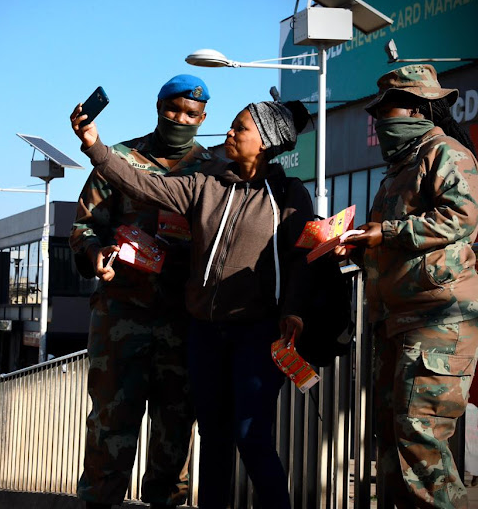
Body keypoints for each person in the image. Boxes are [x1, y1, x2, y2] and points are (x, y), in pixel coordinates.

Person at [71, 96, 314, 508]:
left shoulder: (289, 195)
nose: (229, 133)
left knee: (251, 435)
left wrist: (293, 310)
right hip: (203, 334)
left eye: (241, 128)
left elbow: (301, 260)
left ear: (267, 142)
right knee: (213, 436)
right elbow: (144, 184)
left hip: (255, 335)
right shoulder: (209, 183)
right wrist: (95, 146)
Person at [69, 75, 228, 509]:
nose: (180, 119)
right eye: (173, 109)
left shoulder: (214, 169)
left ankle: (166, 502)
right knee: (109, 424)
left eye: (191, 114)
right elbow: (84, 226)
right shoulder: (119, 159)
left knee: (175, 431)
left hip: (183, 320)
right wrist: (95, 252)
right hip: (121, 316)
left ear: (203, 118)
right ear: (158, 106)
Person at [340, 64, 478, 509]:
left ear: (420, 108)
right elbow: (395, 240)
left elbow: (460, 218)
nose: (381, 120)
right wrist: (356, 249)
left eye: (389, 110)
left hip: (439, 319)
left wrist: (384, 232)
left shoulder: (447, 153)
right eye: (378, 112)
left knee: (421, 443)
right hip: (397, 320)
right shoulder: (399, 168)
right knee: (392, 442)